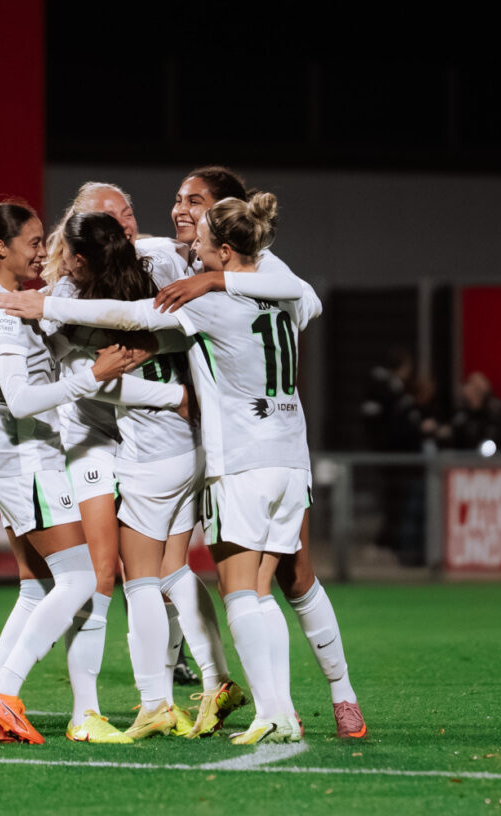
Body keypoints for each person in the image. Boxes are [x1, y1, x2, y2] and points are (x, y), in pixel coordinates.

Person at [0, 193, 308, 744]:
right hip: (246, 451)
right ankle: (231, 688)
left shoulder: (183, 292)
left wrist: (47, 309)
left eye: (204, 242)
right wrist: (218, 282)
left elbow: (129, 322)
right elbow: (305, 294)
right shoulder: (208, 279)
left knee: (137, 580)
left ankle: (156, 703)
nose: (192, 248)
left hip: (180, 452)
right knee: (193, 576)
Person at [0, 201, 165, 744]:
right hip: (24, 458)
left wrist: (104, 350)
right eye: (34, 242)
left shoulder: (8, 303)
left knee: (38, 587)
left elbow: (56, 349)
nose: (43, 250)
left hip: (18, 457)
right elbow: (20, 400)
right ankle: (2, 693)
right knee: (81, 577)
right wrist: (95, 376)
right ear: (0, 248)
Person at [149, 166, 367, 739]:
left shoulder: (259, 265)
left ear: (226, 216)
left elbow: (309, 299)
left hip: (252, 446)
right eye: (177, 199)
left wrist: (218, 283)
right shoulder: (177, 256)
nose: (180, 211)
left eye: (194, 202)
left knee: (292, 578)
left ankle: (335, 696)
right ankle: (250, 693)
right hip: (216, 443)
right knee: (196, 572)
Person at [46, 210, 243, 740]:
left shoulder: (102, 312)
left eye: (66, 254)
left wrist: (66, 340)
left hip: (152, 456)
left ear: (85, 260)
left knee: (140, 583)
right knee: (176, 569)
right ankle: (219, 679)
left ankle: (154, 701)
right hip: (195, 450)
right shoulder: (157, 287)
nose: (60, 262)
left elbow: (102, 384)